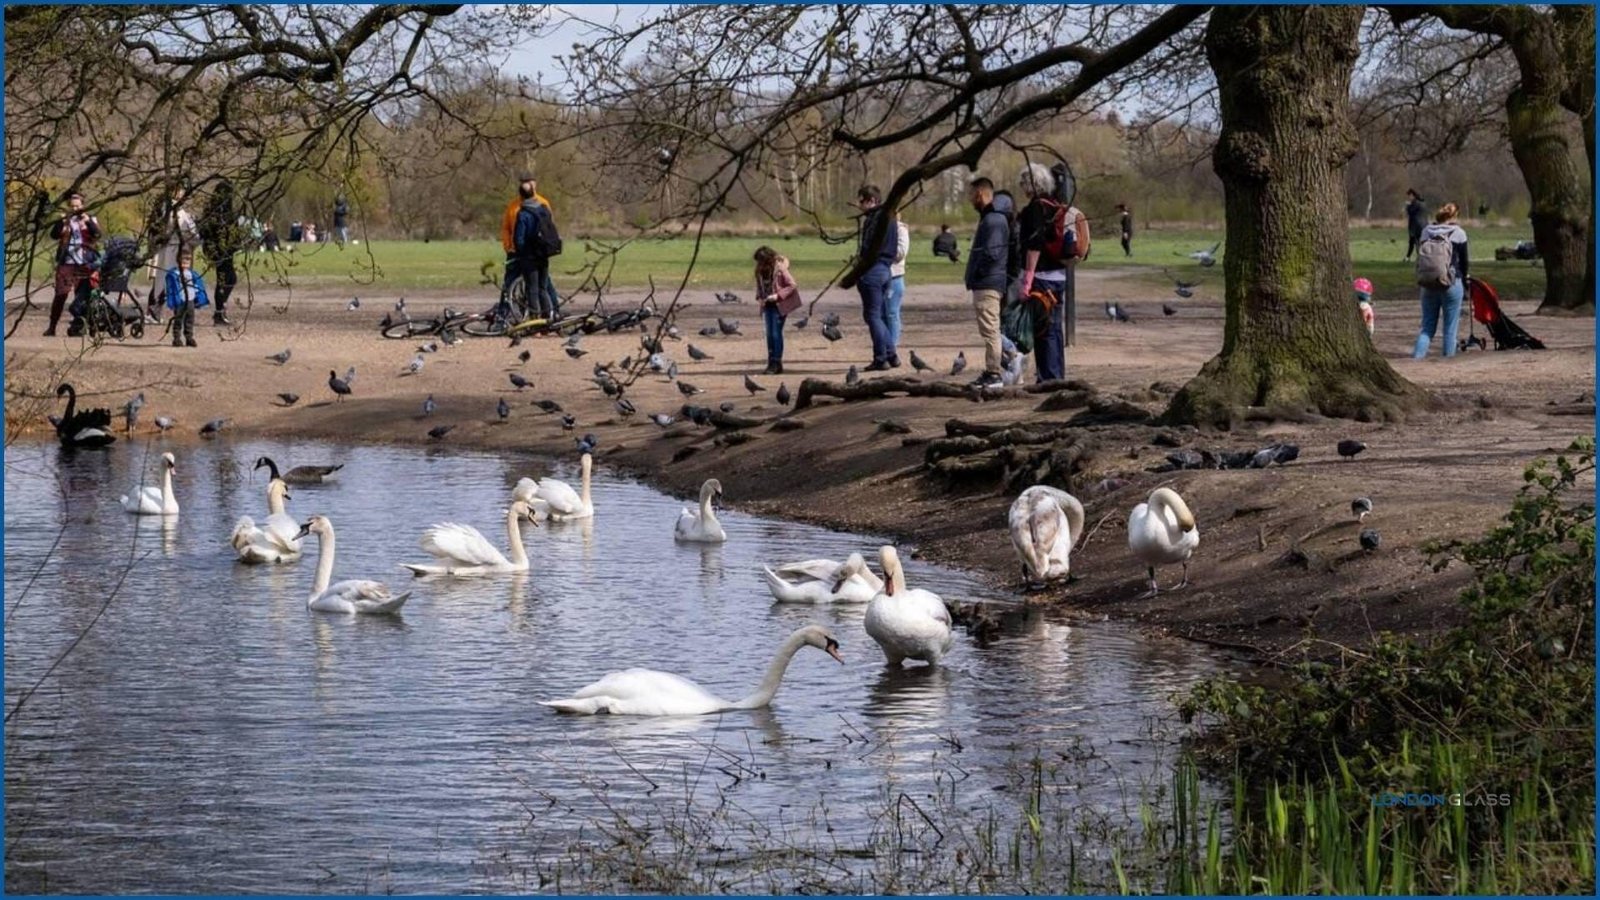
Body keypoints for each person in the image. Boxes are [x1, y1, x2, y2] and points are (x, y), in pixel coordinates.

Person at [1018, 163, 1069, 381]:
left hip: (1042, 277)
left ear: (1032, 184)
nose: (1022, 188)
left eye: (1023, 183)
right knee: (1055, 328)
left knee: (1043, 330)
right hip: (1059, 275)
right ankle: (1056, 375)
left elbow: (1035, 245)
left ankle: (1047, 377)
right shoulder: (1055, 205)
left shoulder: (1035, 209)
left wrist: (1027, 280)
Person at [963, 177, 1009, 388]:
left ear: (980, 194)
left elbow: (991, 252)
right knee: (989, 328)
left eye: (972, 194)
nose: (970, 199)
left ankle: (994, 373)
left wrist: (978, 272)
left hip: (988, 282)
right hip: (986, 281)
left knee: (990, 330)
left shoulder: (993, 220)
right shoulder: (989, 219)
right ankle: (1009, 357)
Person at [851, 185, 899, 371]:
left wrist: (860, 265)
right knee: (878, 315)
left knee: (872, 316)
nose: (859, 205)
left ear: (871, 200)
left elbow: (868, 246)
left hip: (873, 269)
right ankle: (891, 354)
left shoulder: (874, 219)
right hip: (887, 269)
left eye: (861, 200)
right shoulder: (891, 217)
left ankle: (881, 358)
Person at [1412, 203, 1468, 359]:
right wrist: (1465, 281)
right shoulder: (1459, 233)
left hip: (1428, 283)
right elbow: (1464, 263)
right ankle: (1447, 361)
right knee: (1450, 328)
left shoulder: (1426, 231)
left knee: (1427, 327)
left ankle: (1416, 359)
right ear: (1455, 216)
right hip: (1451, 282)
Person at [499, 172, 560, 316]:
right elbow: (506, 228)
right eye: (524, 182)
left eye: (530, 181)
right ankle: (503, 316)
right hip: (515, 251)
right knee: (509, 284)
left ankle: (554, 313)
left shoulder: (543, 204)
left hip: (535, 252)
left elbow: (550, 228)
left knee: (542, 287)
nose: (528, 184)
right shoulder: (513, 206)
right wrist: (509, 246)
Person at [45, 192, 101, 336]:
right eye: (72, 206)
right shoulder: (66, 221)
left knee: (82, 296)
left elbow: (97, 234)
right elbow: (54, 235)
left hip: (85, 263)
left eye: (77, 206)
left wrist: (87, 221)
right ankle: (52, 326)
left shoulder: (91, 219)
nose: (75, 209)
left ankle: (80, 325)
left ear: (83, 206)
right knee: (60, 295)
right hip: (67, 263)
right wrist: (61, 221)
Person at [146, 183, 199, 322]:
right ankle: (159, 310)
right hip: (173, 249)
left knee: (165, 279)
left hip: (170, 249)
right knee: (172, 280)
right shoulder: (173, 210)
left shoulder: (167, 209)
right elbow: (189, 232)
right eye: (181, 190)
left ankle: (156, 309)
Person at [511, 182, 557, 320]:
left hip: (529, 256)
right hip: (544, 254)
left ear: (520, 195)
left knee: (532, 289)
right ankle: (548, 318)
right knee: (543, 288)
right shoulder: (544, 209)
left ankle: (535, 321)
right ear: (534, 193)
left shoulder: (523, 214)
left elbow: (519, 239)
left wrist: (519, 252)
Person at [754, 246, 802, 374]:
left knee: (775, 334)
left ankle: (775, 362)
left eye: (761, 261)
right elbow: (760, 286)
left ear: (768, 259)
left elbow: (792, 285)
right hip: (767, 305)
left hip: (779, 305)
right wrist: (759, 297)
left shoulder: (780, 269)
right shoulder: (759, 270)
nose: (759, 264)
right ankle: (773, 362)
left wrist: (778, 295)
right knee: (770, 334)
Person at [200, 179, 240, 326]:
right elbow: (207, 231)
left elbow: (233, 228)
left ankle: (220, 309)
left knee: (230, 279)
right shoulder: (214, 213)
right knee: (224, 279)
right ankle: (219, 311)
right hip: (219, 250)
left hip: (226, 249)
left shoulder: (226, 211)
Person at [164, 247, 209, 347]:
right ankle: (176, 338)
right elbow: (171, 288)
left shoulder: (192, 274)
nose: (185, 263)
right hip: (180, 300)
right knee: (178, 319)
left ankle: (189, 337)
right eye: (183, 261)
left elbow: (197, 285)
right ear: (178, 261)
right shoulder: (175, 274)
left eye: (188, 261)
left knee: (190, 319)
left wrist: (199, 296)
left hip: (190, 300)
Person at [886, 216, 910, 351]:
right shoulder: (881, 229)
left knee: (892, 313)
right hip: (880, 276)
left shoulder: (901, 230)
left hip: (894, 276)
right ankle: (884, 346)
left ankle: (892, 348)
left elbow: (900, 253)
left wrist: (883, 252)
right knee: (881, 314)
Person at [1403, 188, 1425, 260]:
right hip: (1423, 225)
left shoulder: (1415, 204)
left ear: (1412, 195)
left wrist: (1408, 206)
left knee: (1415, 242)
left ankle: (1418, 257)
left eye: (1409, 196)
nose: (1409, 198)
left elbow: (1411, 212)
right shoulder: (1422, 203)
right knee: (1414, 242)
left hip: (1415, 226)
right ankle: (1408, 257)